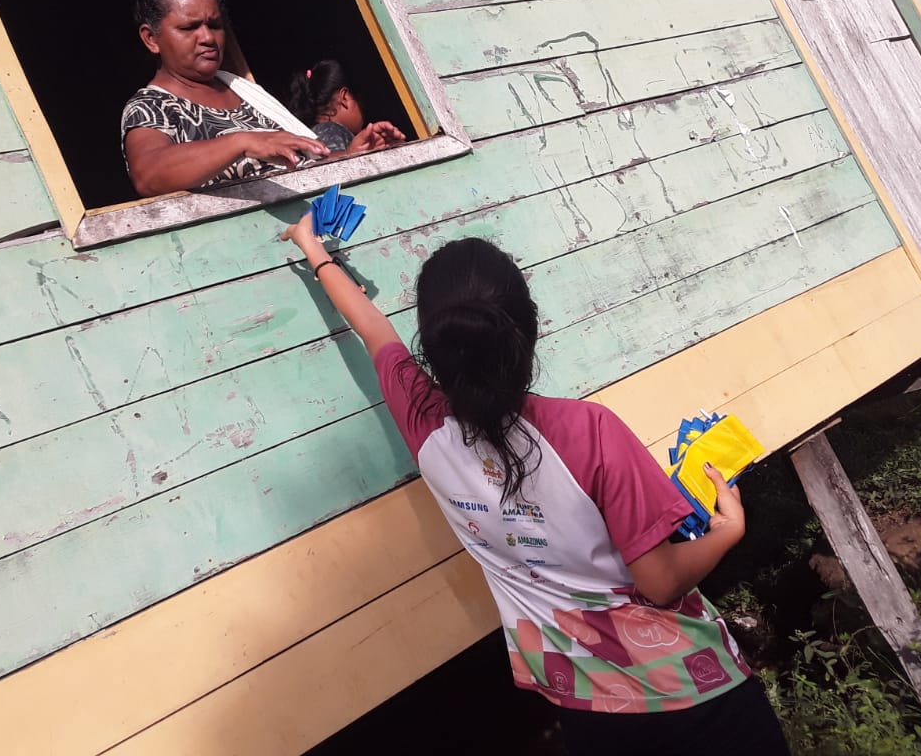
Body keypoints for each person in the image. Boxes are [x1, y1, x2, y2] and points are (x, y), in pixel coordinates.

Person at [279, 224, 789, 756]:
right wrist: (729, 531)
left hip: (588, 708)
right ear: (530, 329)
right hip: (697, 693)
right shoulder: (589, 429)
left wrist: (312, 248)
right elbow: (660, 584)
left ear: (433, 345)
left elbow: (371, 328)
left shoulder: (422, 424)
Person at [121, 0, 334, 197]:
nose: (207, 38)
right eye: (189, 28)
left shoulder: (243, 90)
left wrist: (353, 155)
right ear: (151, 39)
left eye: (215, 25)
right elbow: (148, 175)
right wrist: (240, 143)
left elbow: (303, 164)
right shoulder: (150, 107)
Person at [287, 59, 406, 154]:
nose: (363, 109)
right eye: (359, 101)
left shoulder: (318, 132)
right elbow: (328, 167)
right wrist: (352, 155)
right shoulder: (330, 130)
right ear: (344, 97)